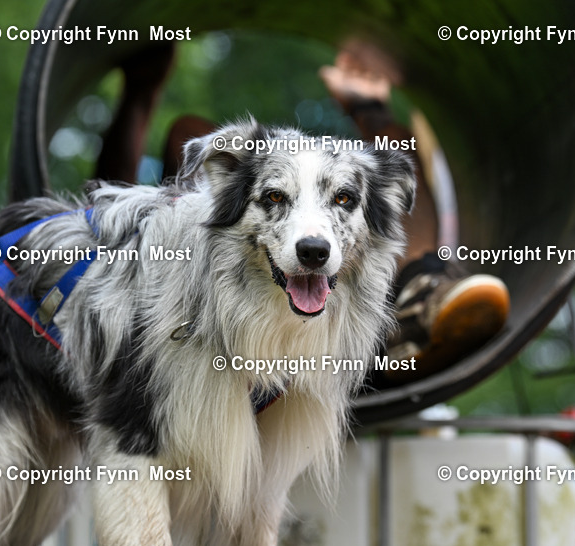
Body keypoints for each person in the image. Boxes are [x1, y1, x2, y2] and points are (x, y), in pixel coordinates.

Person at [95, 42, 509, 388]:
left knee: (380, 178)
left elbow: (389, 177)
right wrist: (141, 92)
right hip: (220, 333)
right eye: (275, 196)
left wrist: (370, 109)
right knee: (188, 130)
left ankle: (419, 302)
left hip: (352, 342)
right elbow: (103, 216)